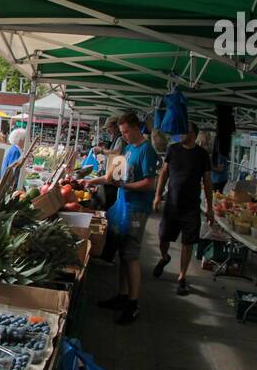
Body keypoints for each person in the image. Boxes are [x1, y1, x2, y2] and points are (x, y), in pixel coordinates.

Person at [87, 111, 158, 325]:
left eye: (126, 132)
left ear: (137, 128)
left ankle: (132, 303)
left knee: (131, 254)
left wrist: (125, 186)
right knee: (121, 251)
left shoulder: (147, 151)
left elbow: (149, 183)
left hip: (136, 209)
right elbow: (113, 177)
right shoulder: (127, 149)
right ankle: (122, 295)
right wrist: (92, 182)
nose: (124, 136)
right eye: (122, 132)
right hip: (123, 205)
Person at [153, 123, 214, 296]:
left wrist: (210, 208)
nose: (180, 134)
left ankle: (182, 277)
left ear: (193, 134)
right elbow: (164, 173)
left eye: (184, 131)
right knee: (163, 237)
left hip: (191, 206)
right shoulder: (173, 149)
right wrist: (158, 195)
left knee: (187, 242)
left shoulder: (202, 155)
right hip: (171, 203)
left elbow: (207, 182)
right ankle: (165, 257)